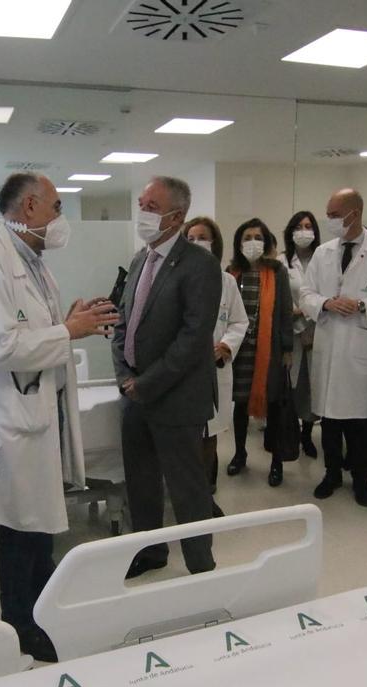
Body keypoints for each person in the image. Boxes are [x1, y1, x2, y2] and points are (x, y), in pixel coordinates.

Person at [0, 172, 119, 662]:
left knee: (40, 526)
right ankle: (20, 626)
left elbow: (34, 329)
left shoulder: (31, 262)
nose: (59, 217)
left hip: (38, 412)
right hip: (14, 418)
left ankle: (43, 613)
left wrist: (67, 320)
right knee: (20, 528)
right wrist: (66, 332)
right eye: (55, 206)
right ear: (28, 208)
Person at [112, 177, 223, 579]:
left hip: (174, 396)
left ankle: (201, 565)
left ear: (176, 216)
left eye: (151, 205)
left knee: (187, 488)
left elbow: (193, 339)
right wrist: (125, 375)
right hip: (135, 394)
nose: (142, 211)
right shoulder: (140, 259)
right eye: (141, 202)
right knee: (141, 482)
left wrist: (148, 383)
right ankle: (150, 551)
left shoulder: (200, 265)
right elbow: (124, 323)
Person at [299, 189, 367, 506]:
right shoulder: (323, 253)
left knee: (362, 422)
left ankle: (361, 480)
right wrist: (326, 302)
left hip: (362, 347)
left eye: (334, 214)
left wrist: (361, 305)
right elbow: (305, 293)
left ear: (354, 213)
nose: (328, 220)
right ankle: (332, 474)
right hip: (330, 347)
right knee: (330, 420)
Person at [184, 216, 248, 515]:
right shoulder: (176, 279)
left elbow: (239, 321)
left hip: (216, 368)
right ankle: (188, 495)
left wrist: (226, 345)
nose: (197, 243)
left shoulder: (227, 281)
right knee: (187, 436)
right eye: (191, 238)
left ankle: (206, 493)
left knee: (211, 434)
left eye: (202, 237)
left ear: (215, 243)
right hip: (184, 372)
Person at [225, 218, 294, 487]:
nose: (252, 242)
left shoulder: (277, 271)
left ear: (265, 242)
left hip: (270, 349)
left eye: (257, 237)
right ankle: (240, 453)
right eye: (246, 237)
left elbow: (286, 311)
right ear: (238, 243)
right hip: (238, 350)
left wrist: (287, 348)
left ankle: (276, 462)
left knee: (274, 406)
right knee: (239, 404)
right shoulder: (232, 272)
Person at [282, 211, 320, 458]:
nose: (303, 231)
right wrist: (300, 320)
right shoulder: (281, 262)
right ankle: (290, 434)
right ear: (290, 232)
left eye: (308, 226)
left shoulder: (325, 259)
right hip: (291, 335)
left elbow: (327, 296)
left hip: (319, 333)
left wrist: (308, 320)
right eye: (298, 226)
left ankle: (307, 435)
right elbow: (278, 302)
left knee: (312, 388)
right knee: (291, 388)